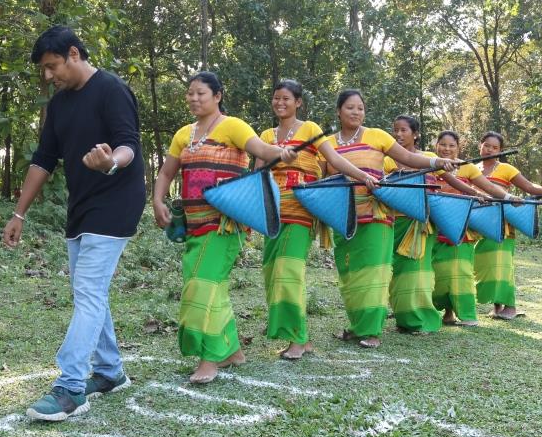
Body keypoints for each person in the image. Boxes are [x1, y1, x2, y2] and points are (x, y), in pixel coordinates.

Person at [2, 26, 146, 422]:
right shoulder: (60, 106)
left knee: (87, 291)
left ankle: (70, 387)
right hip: (81, 207)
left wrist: (111, 162)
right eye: (44, 71)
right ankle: (111, 371)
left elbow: (128, 144)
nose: (49, 77)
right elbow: (43, 160)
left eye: (52, 67)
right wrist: (19, 213)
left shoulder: (111, 89)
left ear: (73, 53)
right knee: (89, 291)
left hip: (117, 202)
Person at [152, 72, 299, 384]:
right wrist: (157, 200)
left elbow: (262, 150)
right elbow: (166, 173)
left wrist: (281, 153)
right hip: (193, 226)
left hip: (224, 226)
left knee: (201, 287)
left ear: (217, 96)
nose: (193, 98)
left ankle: (210, 359)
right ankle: (232, 350)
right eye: (190, 93)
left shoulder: (233, 126)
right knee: (211, 286)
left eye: (200, 93)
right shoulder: (183, 135)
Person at [252, 80, 378, 360]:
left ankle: (297, 340)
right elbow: (257, 173)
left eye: (286, 98)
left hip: (300, 212)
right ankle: (303, 338)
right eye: (276, 98)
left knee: (288, 273)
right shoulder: (265, 134)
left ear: (298, 102)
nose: (280, 103)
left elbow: (335, 159)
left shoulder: (310, 130)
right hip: (271, 213)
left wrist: (362, 175)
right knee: (273, 274)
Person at [329, 91, 458, 348]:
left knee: (373, 274)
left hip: (376, 216)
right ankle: (358, 326)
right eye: (350, 107)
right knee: (349, 274)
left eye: (360, 108)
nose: (355, 112)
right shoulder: (328, 143)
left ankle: (371, 331)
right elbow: (323, 175)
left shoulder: (377, 136)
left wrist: (436, 161)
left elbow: (409, 158)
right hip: (342, 218)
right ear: (339, 111)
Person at [473, 132, 542, 320]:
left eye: (494, 147)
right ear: (480, 145)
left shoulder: (505, 168)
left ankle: (510, 307)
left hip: (501, 226)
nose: (489, 149)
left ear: (500, 151)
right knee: (485, 265)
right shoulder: (473, 169)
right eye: (486, 145)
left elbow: (529, 187)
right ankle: (497, 306)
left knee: (502, 265)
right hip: (477, 225)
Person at [429, 130, 508, 326]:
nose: (447, 149)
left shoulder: (468, 168)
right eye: (443, 145)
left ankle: (466, 314)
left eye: (451, 145)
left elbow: (488, 188)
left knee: (460, 272)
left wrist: (506, 198)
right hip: (431, 228)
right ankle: (445, 312)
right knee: (437, 273)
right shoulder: (428, 164)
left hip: (461, 228)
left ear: (459, 148)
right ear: (436, 145)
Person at [383, 115, 443, 335]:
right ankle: (402, 317)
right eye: (395, 130)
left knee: (418, 271)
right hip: (392, 221)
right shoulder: (386, 159)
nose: (398, 134)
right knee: (396, 272)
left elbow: (446, 183)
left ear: (415, 134)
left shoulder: (428, 158)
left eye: (404, 130)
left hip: (419, 224)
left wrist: (475, 194)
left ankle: (419, 319)